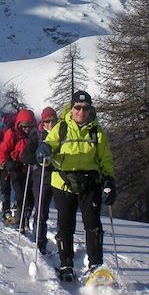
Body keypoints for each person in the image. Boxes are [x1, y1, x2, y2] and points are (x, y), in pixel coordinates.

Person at [36, 91, 116, 282]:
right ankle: (66, 264)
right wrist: (43, 150)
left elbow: (105, 158)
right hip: (63, 182)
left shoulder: (97, 131)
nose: (81, 112)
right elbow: (49, 144)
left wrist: (109, 180)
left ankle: (96, 265)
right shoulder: (61, 128)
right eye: (77, 108)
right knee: (65, 225)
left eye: (85, 108)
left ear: (90, 109)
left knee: (93, 225)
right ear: (71, 108)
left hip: (90, 182)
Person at [21, 106, 58, 255]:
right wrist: (38, 158)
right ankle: (40, 240)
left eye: (53, 121)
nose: (50, 124)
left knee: (63, 211)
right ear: (43, 121)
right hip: (40, 175)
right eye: (47, 121)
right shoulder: (36, 134)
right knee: (41, 209)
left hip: (58, 176)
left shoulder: (61, 133)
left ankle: (62, 243)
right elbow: (26, 155)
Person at [0, 108, 37, 232]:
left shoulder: (34, 136)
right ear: (19, 124)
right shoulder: (12, 134)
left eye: (30, 126)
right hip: (15, 167)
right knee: (20, 194)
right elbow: (1, 151)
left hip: (28, 168)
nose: (27, 129)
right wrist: (6, 162)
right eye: (24, 126)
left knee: (30, 197)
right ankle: (20, 221)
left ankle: (25, 217)